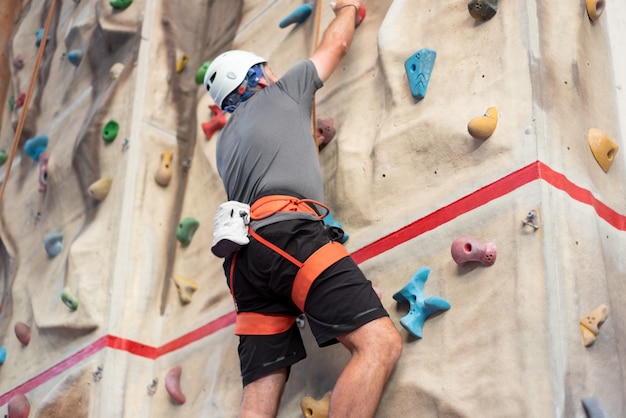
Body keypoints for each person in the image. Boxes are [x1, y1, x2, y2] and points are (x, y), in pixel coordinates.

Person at [204, 2, 402, 417]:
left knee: (257, 401)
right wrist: (348, 9)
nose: (274, 74)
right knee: (378, 343)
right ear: (256, 78)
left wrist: (310, 140)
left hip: (245, 266)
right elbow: (337, 43)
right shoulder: (281, 92)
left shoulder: (224, 145)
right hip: (286, 236)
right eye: (267, 69)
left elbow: (275, 159)